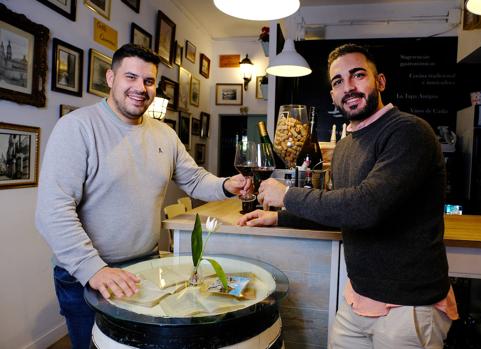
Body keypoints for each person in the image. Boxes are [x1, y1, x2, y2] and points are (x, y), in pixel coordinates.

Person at [239, 43, 458, 349]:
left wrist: (288, 195)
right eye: (338, 81)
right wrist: (279, 216)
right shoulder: (345, 146)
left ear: (380, 81)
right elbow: (339, 209)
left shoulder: (409, 132)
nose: (349, 87)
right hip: (358, 298)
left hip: (409, 308)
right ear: (332, 95)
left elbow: (366, 207)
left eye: (358, 75)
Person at [35, 44, 250, 349]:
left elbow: (194, 178)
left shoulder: (164, 133)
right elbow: (52, 211)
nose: (140, 88)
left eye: (148, 81)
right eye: (130, 77)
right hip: (88, 273)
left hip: (144, 266)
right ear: (110, 78)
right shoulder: (76, 128)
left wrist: (228, 184)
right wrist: (92, 269)